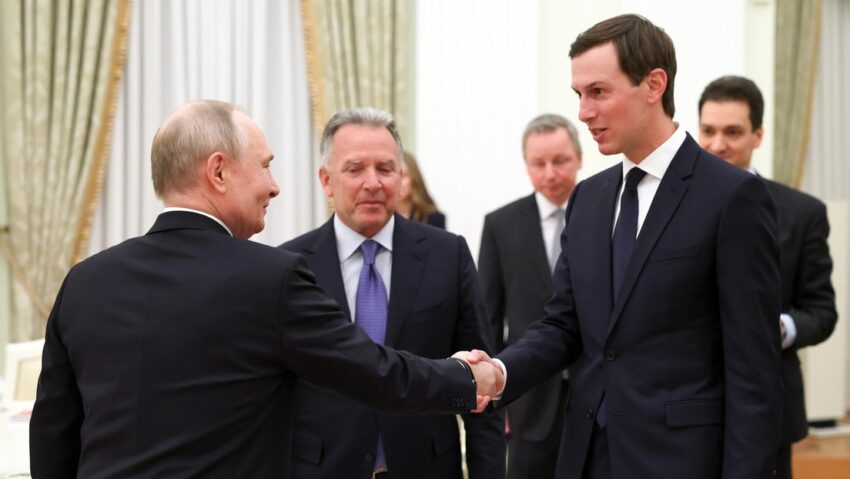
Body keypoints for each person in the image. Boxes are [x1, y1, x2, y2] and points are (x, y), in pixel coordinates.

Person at [28, 100, 502, 478]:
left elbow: (52, 436)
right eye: (264, 167)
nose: (274, 187)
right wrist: (469, 378)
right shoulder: (271, 277)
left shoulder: (83, 282)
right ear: (218, 172)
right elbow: (375, 372)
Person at [461, 14, 783, 479]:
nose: (583, 112)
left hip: (682, 461)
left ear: (654, 84)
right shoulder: (588, 198)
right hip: (586, 456)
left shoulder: (732, 196)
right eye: (578, 94)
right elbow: (563, 324)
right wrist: (499, 372)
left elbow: (754, 370)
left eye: (598, 91)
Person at [280, 107, 506, 479]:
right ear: (326, 180)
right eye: (355, 169)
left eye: (385, 169)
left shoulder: (447, 255)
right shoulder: (290, 267)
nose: (373, 183)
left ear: (401, 178)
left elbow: (481, 383)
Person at [698, 75, 837, 479]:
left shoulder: (802, 213)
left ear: (758, 135)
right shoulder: (666, 206)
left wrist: (781, 328)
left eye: (732, 132)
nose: (717, 144)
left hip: (768, 408)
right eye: (708, 130)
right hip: (682, 408)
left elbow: (821, 311)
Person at [478, 113, 582, 478]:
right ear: (526, 165)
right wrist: (497, 396)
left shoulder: (605, 214)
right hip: (528, 396)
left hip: (593, 390)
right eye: (539, 163)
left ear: (579, 158)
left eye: (560, 161)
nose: (550, 173)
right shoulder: (501, 224)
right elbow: (488, 319)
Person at [399, 151, 446, 229]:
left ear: (414, 178)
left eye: (403, 176)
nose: (398, 182)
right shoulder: (381, 217)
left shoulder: (434, 218)